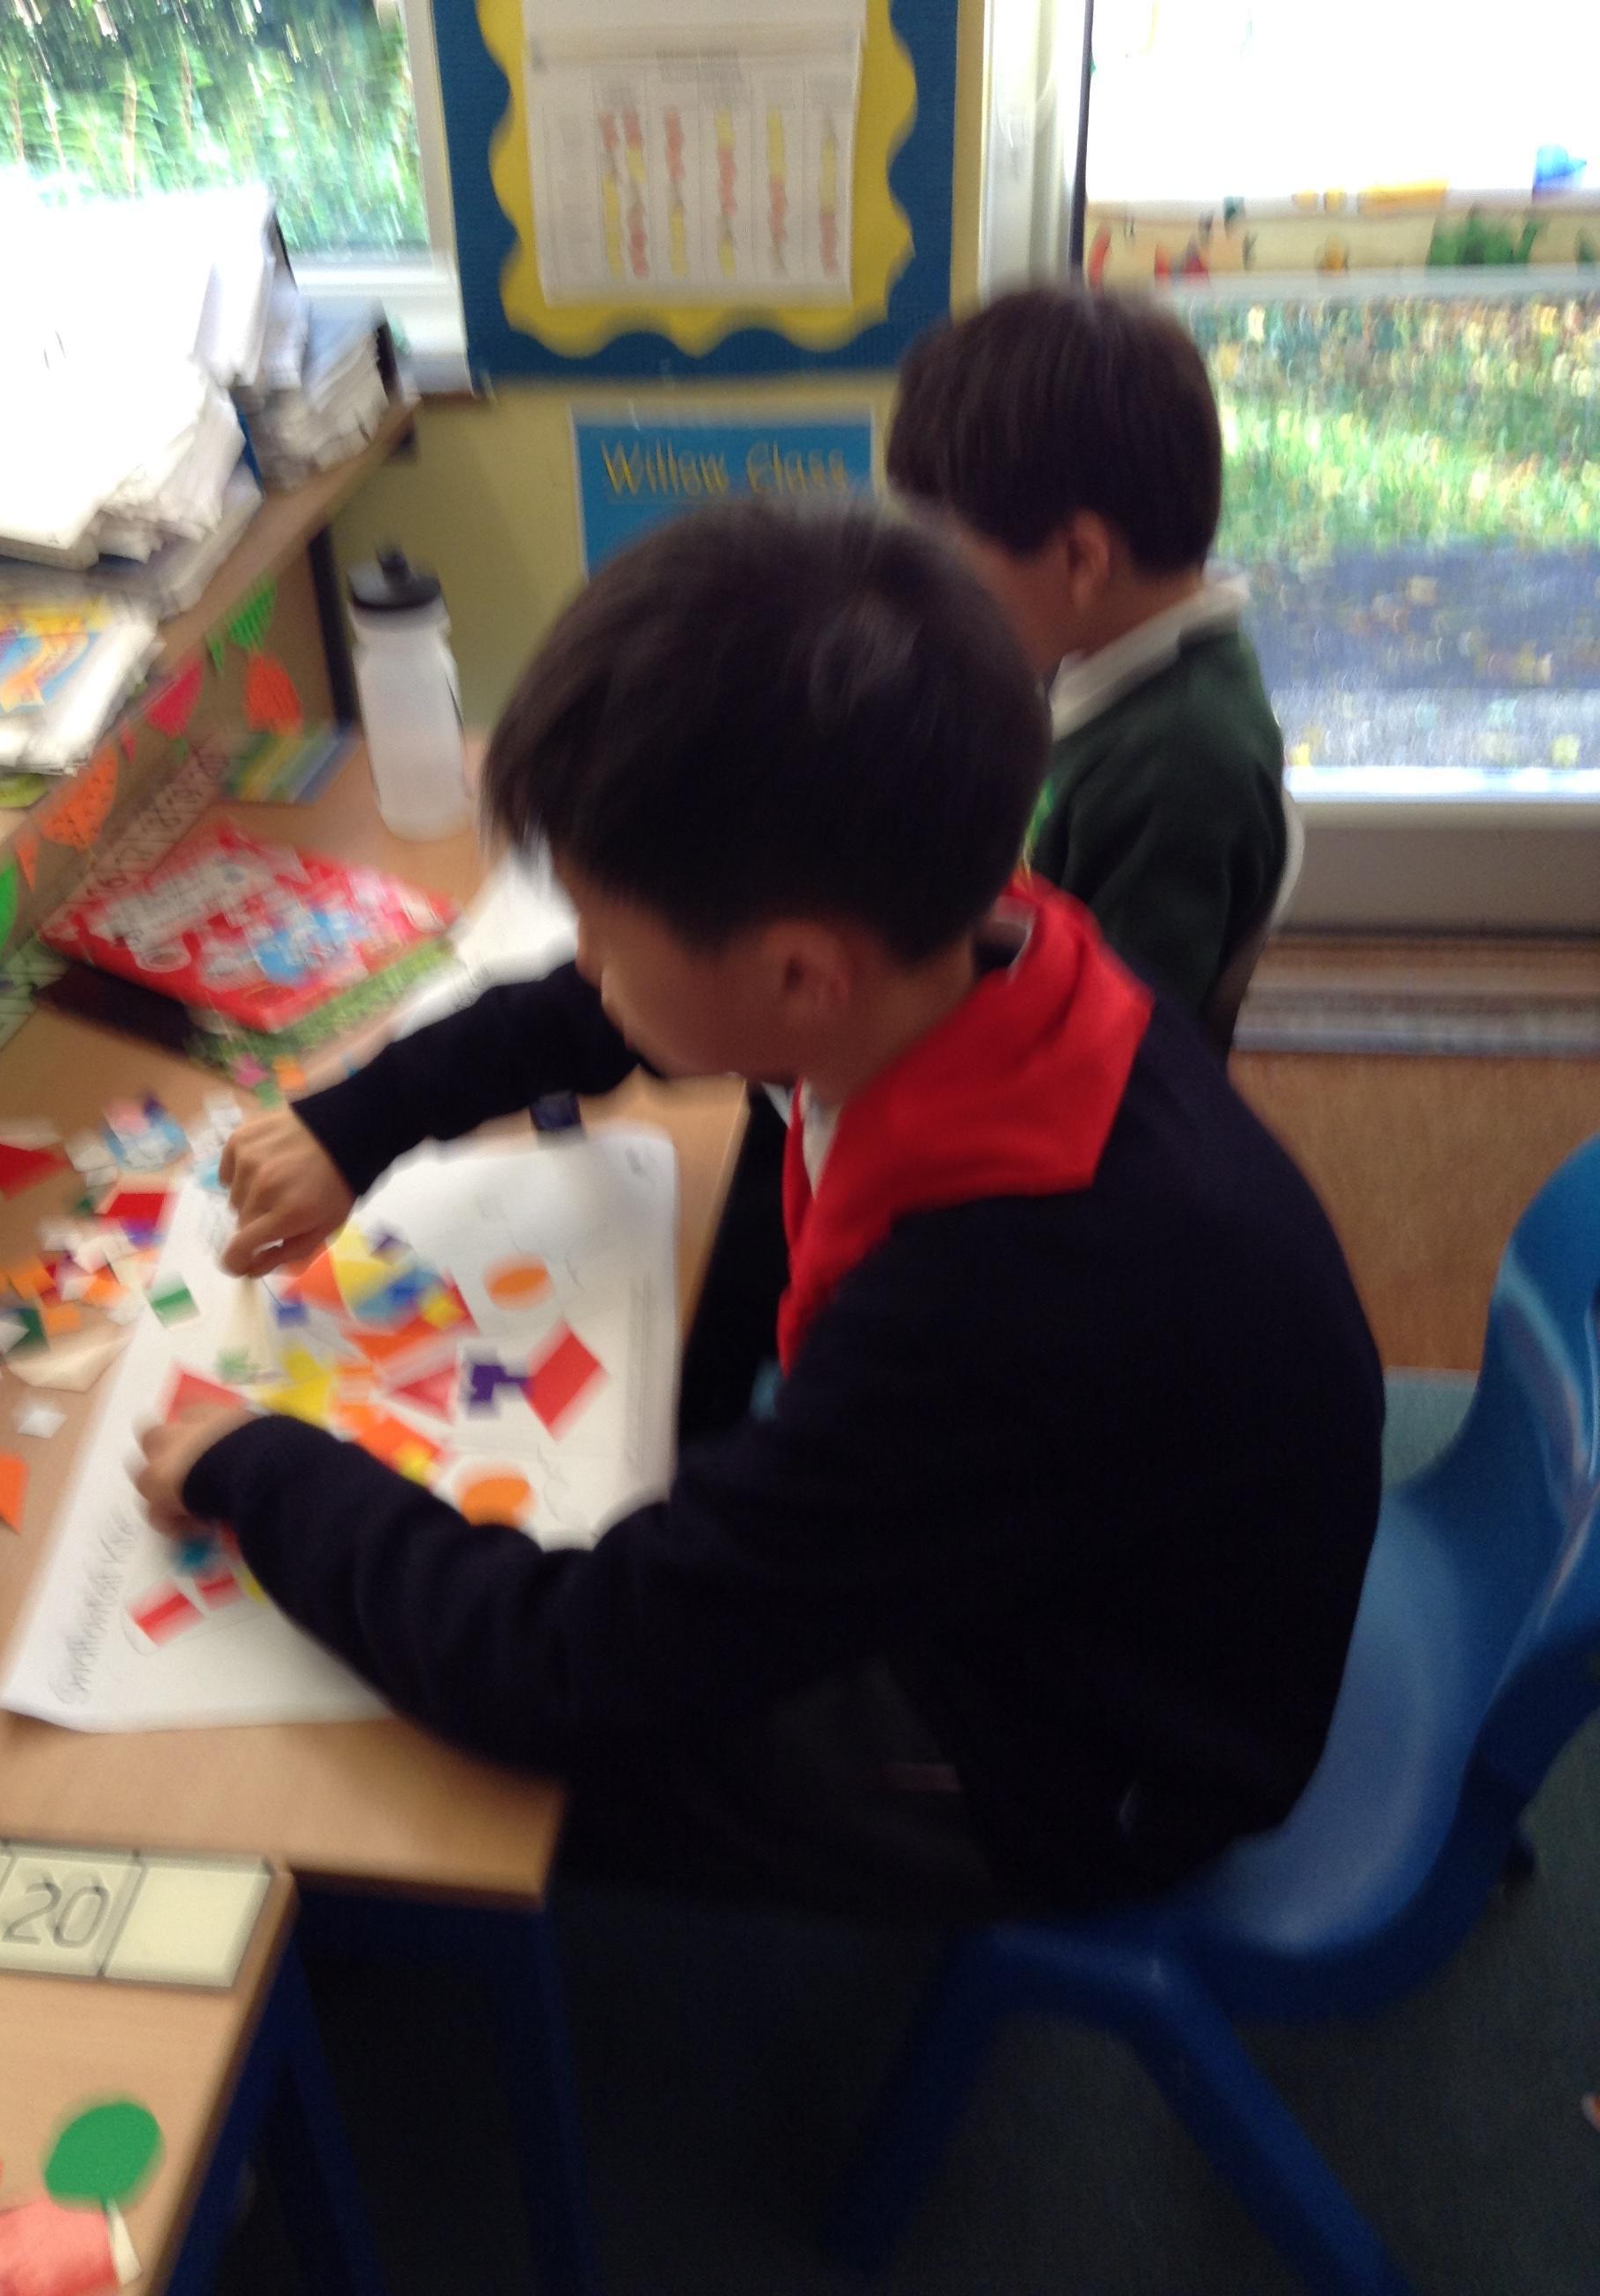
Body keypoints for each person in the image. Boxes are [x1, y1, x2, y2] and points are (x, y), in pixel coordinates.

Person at [133, 502, 1381, 1922]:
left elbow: (572, 1666)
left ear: (800, 979)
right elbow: (625, 1015)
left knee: (520, 1774)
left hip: (1098, 1762)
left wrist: (261, 1471)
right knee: (701, 1294)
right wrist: (356, 1121)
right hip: (1147, 1552)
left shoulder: (983, 1304)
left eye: (606, 935)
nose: (586, 965)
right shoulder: (979, 938)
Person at [888, 283, 1288, 1024]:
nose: (937, 588)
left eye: (951, 556)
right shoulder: (1090, 656)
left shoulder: (1177, 768)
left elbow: (1116, 1041)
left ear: (1080, 560)